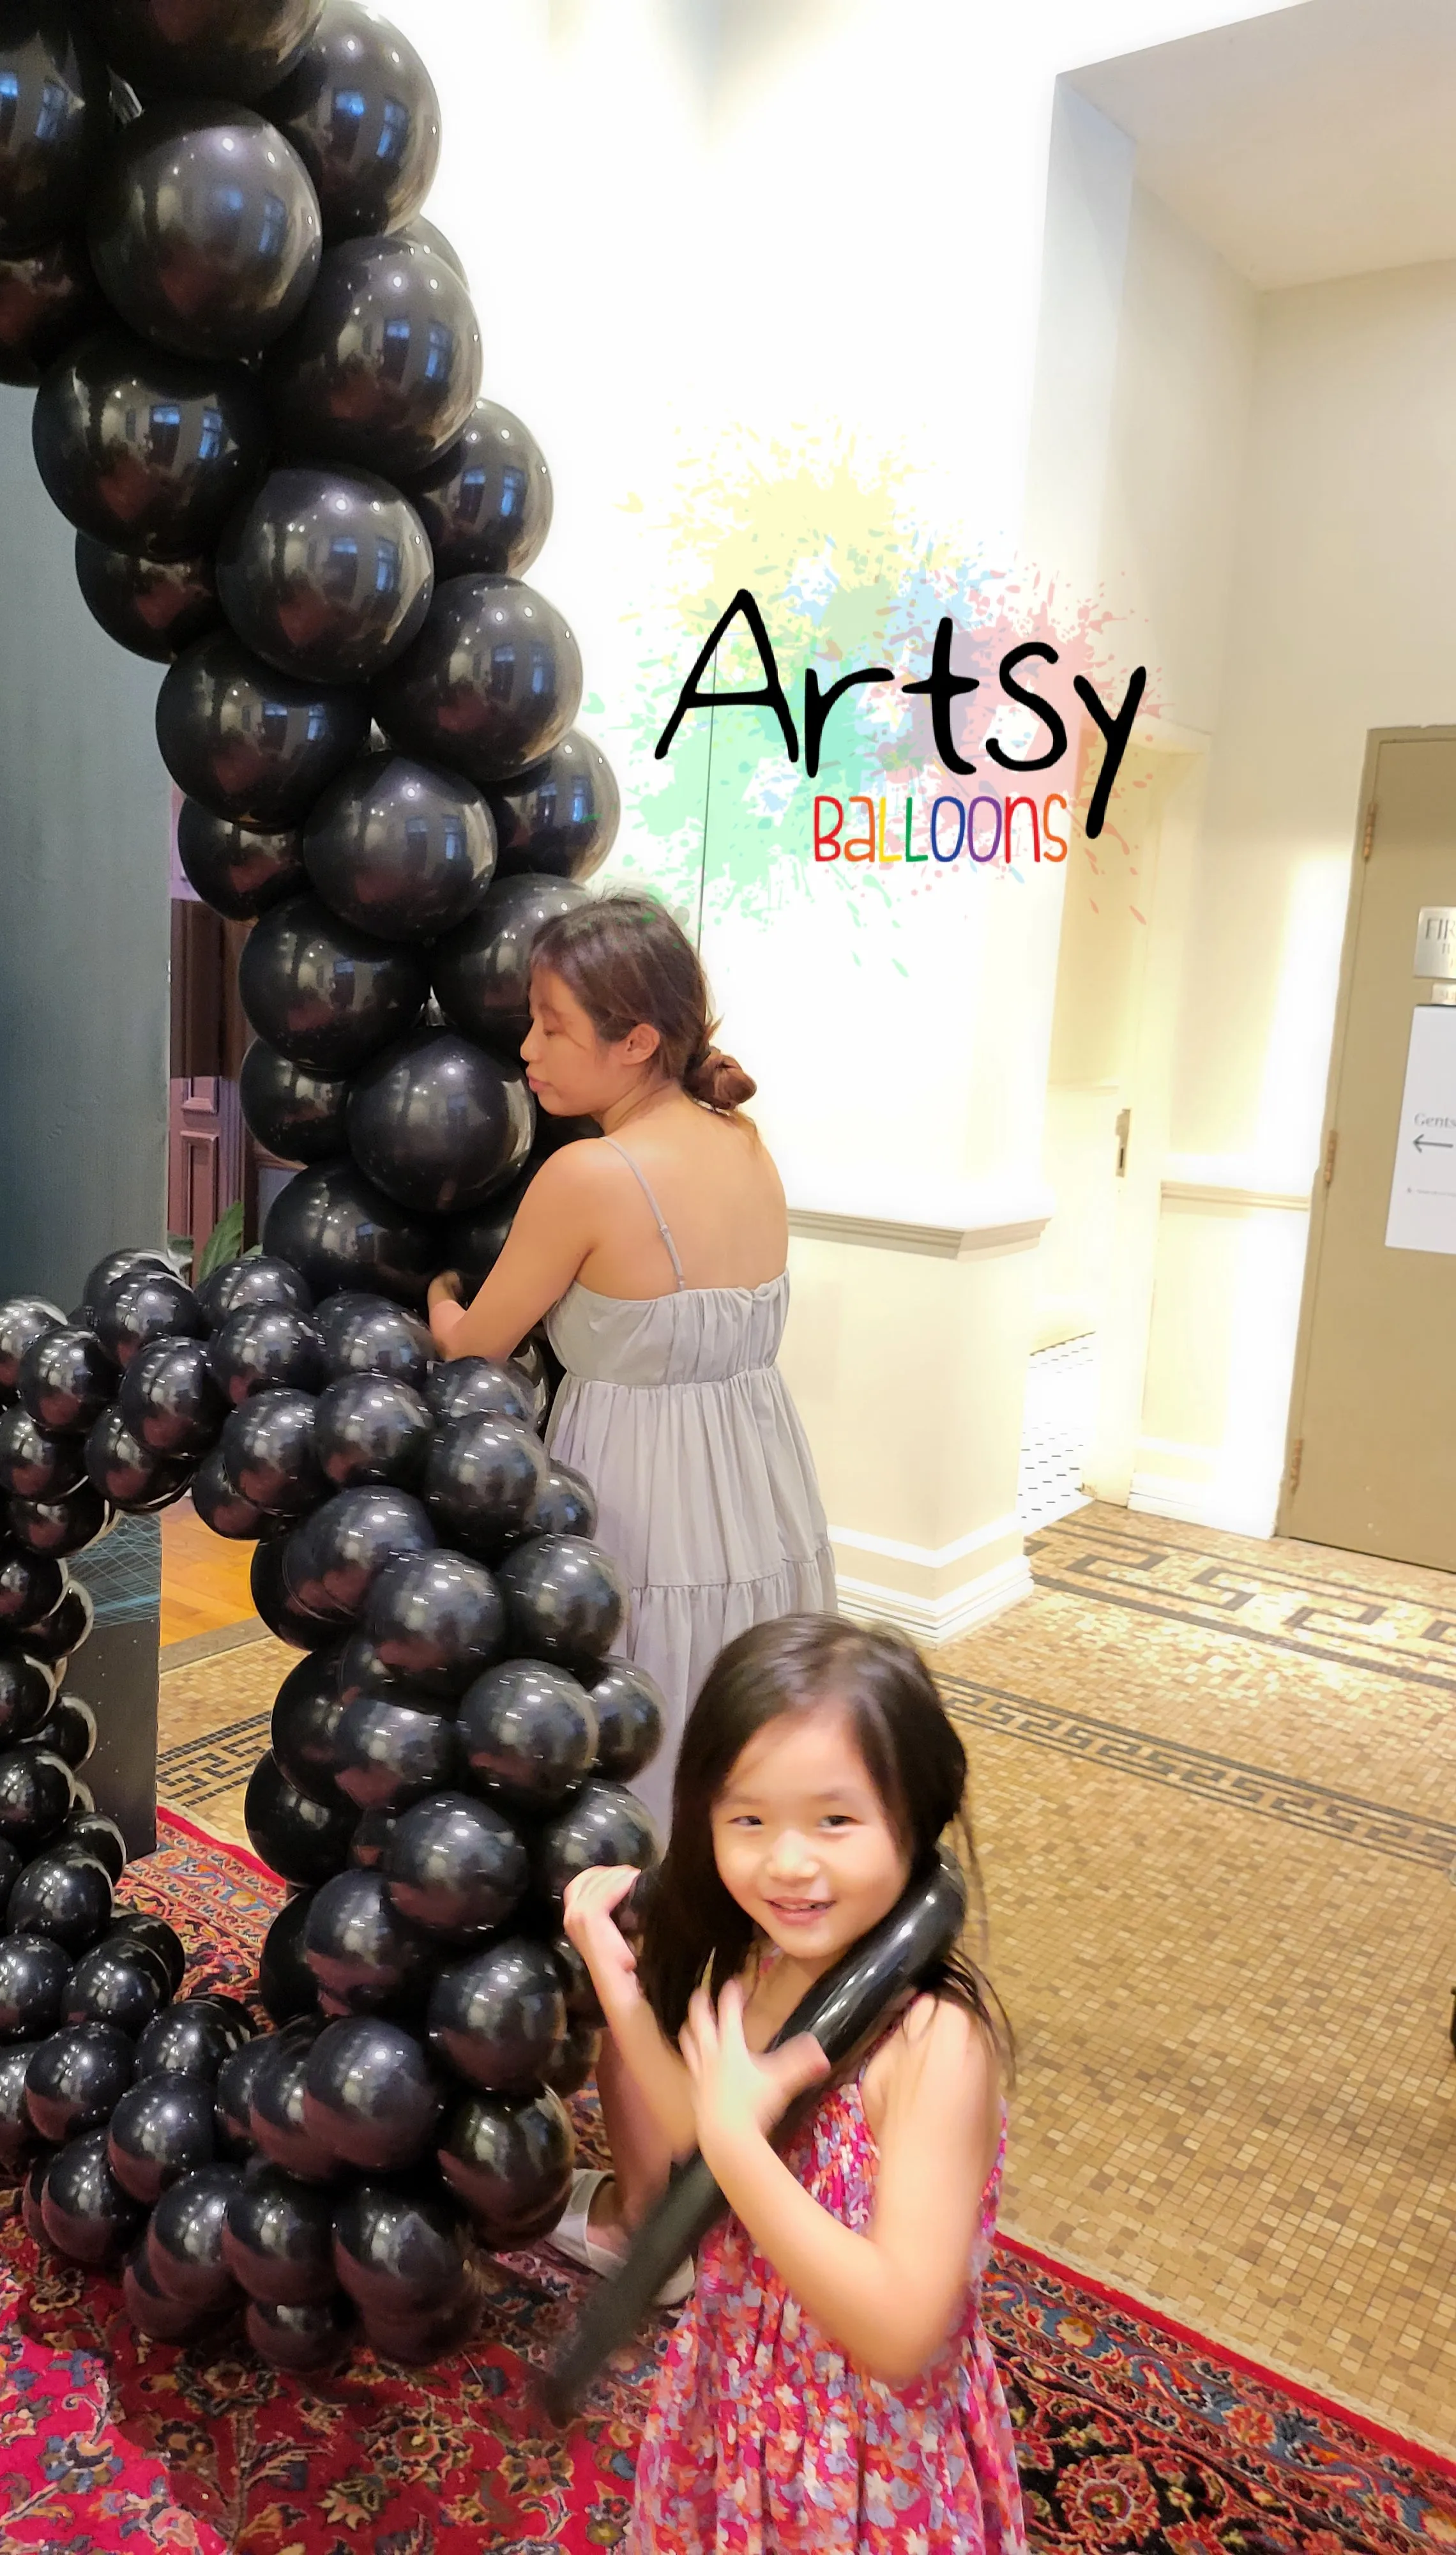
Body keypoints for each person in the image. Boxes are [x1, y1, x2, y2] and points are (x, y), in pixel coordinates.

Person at [561, 1616, 1024, 2555]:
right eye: (749, 1820)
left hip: (865, 2457)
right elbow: (707, 2132)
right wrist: (616, 1987)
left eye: (835, 1820)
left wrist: (738, 2150)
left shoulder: (938, 2047)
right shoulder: (769, 1968)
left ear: (917, 1812)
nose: (788, 1862)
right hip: (739, 2396)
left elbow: (899, 2331)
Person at [426, 891, 835, 1830]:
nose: (527, 1050)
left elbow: (476, 1344)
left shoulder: (589, 1177)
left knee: (637, 1710)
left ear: (638, 1041)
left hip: (637, 1486)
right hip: (762, 1482)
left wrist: (438, 1292)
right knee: (743, 1720)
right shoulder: (743, 1139)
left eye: (552, 1028)